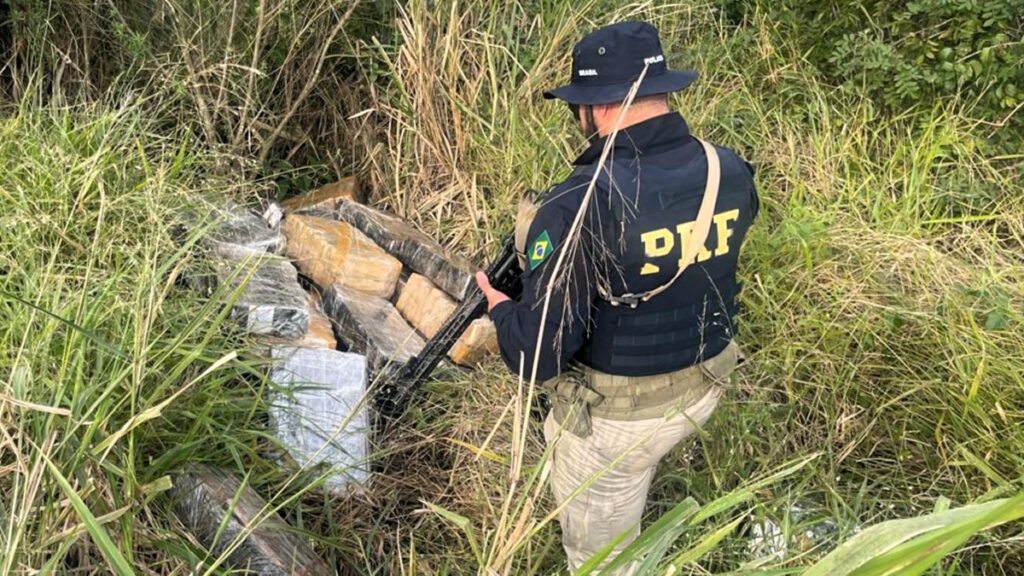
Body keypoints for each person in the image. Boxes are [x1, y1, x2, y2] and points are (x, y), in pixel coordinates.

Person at [475, 21, 759, 574]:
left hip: (619, 425)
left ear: (595, 107)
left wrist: (501, 308)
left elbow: (539, 356)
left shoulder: (576, 204)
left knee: (603, 562)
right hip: (709, 385)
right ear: (663, 92)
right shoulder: (729, 168)